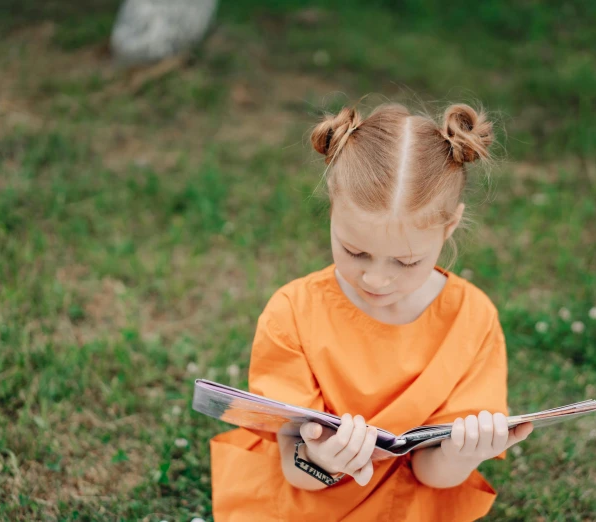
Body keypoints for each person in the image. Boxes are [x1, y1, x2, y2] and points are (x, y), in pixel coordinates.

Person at [209, 101, 534, 521]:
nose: (376, 279)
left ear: (450, 227)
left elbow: (434, 475)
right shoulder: (293, 312)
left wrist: (460, 454)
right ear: (332, 208)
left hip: (410, 503)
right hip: (308, 501)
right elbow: (295, 468)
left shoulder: (472, 319)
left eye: (405, 262)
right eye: (355, 251)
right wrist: (324, 459)